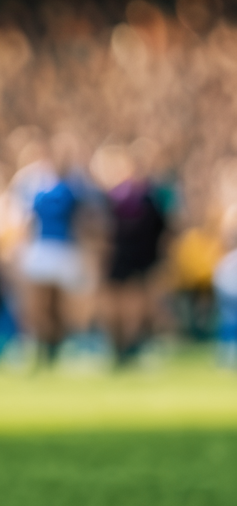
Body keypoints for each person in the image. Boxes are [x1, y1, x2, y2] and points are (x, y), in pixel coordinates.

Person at [92, 144, 168, 365]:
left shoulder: (148, 198)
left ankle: (129, 347)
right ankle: (117, 348)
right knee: (112, 306)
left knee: (134, 308)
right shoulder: (110, 198)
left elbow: (159, 230)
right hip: (115, 258)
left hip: (138, 259)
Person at [15, 138, 88, 364]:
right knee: (38, 305)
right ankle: (40, 346)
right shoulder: (36, 184)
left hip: (65, 249)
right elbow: (27, 219)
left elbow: (85, 220)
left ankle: (56, 347)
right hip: (42, 249)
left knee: (60, 306)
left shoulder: (76, 187)